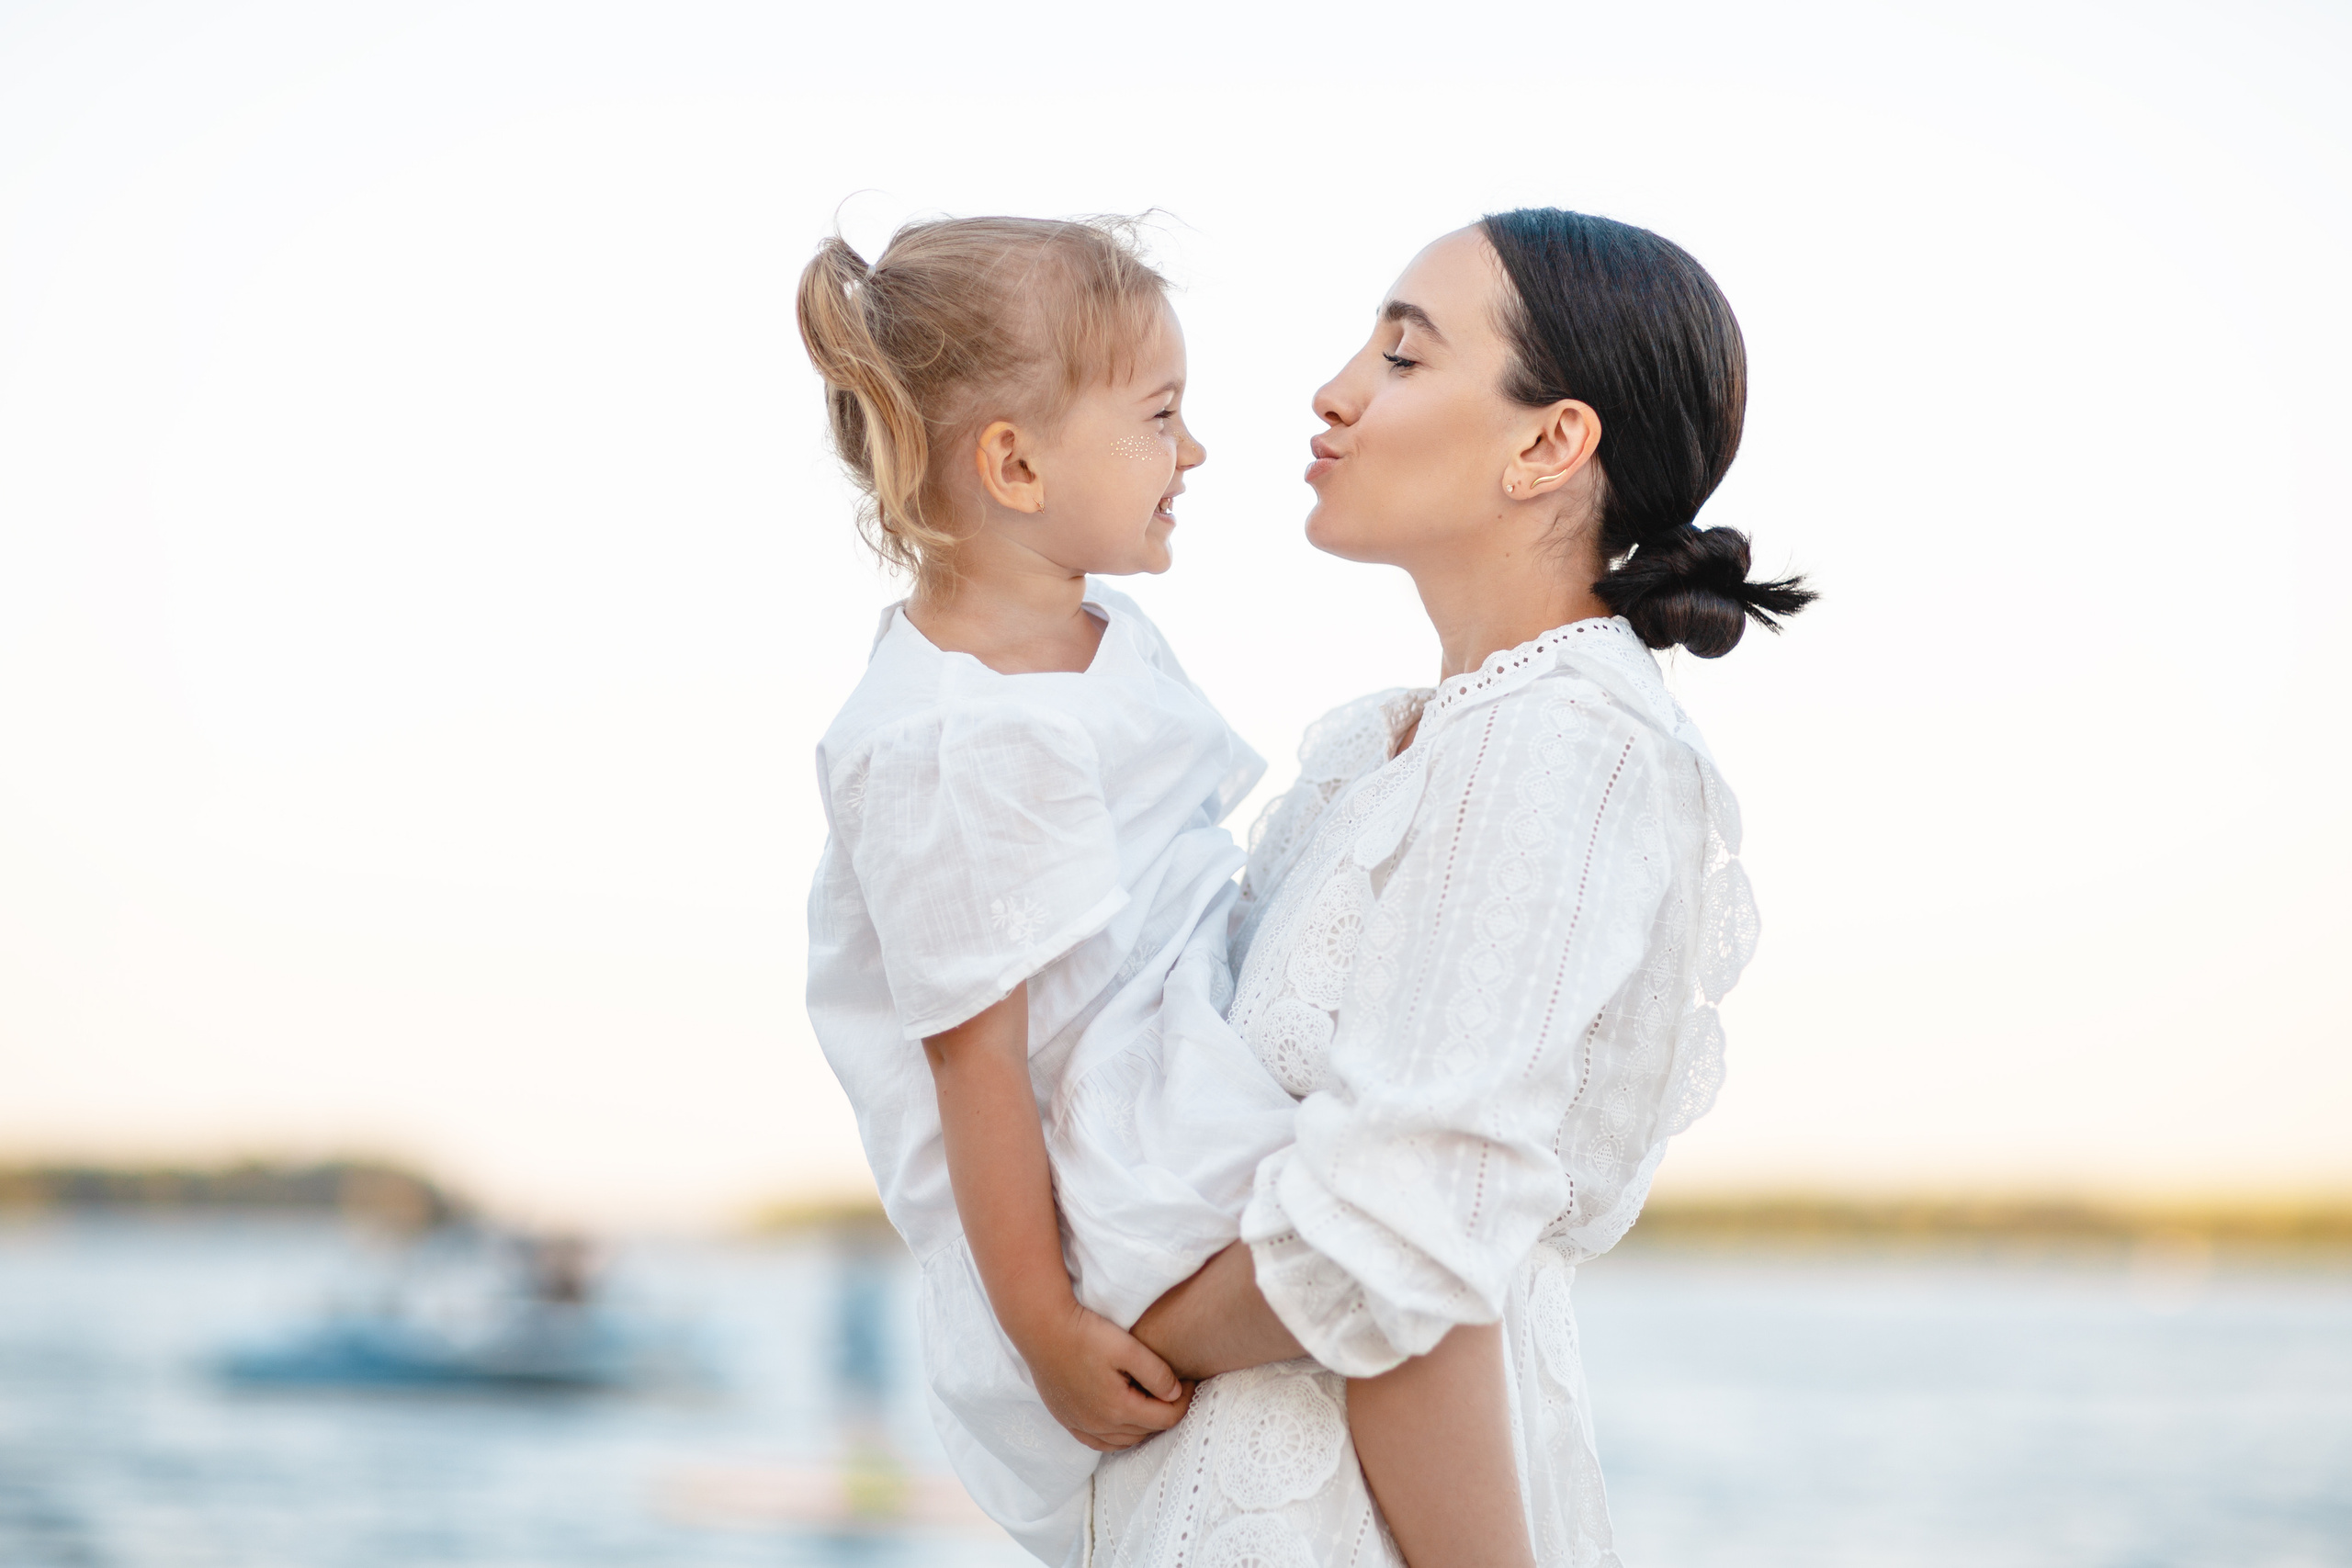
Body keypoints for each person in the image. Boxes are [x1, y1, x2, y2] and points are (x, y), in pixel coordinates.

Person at [798, 215, 1540, 1568]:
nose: (1192, 453)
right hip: (1104, 1143)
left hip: (1173, 1053)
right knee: (1405, 1254)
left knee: (1414, 1248)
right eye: (1158, 417)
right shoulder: (954, 740)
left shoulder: (1089, 635)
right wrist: (1040, 1329)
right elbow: (975, 1068)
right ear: (1014, 464)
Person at [1096, 209, 1812, 1568]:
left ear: (1551, 445)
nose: (1336, 391)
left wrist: (1112, 1341)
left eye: (1405, 358)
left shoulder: (1566, 745)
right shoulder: (1399, 742)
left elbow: (1409, 1226)